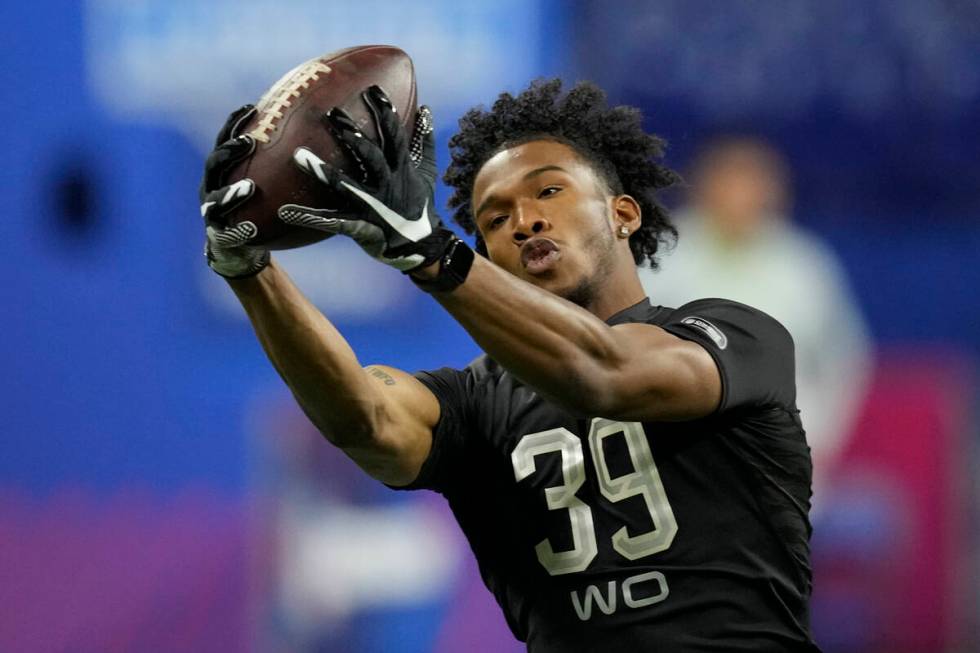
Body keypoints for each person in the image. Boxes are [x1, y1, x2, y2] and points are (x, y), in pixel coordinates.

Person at [199, 80, 820, 652]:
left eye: (549, 190)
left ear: (623, 213)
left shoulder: (739, 334)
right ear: (490, 257)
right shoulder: (476, 401)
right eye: (496, 219)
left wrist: (433, 255)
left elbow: (611, 376)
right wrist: (249, 271)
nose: (526, 221)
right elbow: (365, 421)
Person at [637, 136, 871, 504]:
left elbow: (844, 360)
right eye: (728, 181)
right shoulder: (659, 255)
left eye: (752, 183)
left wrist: (820, 439)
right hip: (677, 457)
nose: (739, 196)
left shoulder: (804, 265)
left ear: (773, 192)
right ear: (703, 187)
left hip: (778, 461)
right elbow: (628, 347)